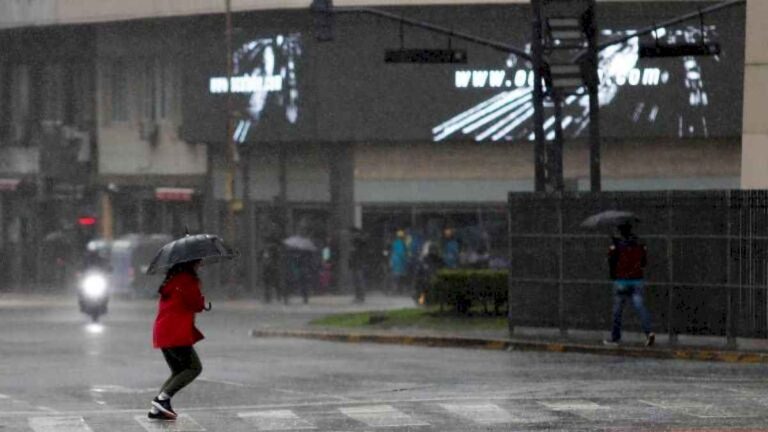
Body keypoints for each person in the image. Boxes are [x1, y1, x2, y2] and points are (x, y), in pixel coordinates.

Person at [148, 260, 207, 420]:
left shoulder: (172, 279)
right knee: (194, 368)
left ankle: (157, 408)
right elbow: (195, 303)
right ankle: (162, 399)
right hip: (175, 332)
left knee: (178, 371)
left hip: (163, 331)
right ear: (190, 264)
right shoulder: (187, 280)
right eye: (197, 263)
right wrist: (203, 302)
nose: (200, 265)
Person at [604, 223, 655, 347]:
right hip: (637, 279)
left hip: (621, 280)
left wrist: (612, 248)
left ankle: (615, 338)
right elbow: (644, 262)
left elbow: (611, 262)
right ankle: (649, 332)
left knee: (617, 311)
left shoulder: (616, 245)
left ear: (620, 231)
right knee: (640, 306)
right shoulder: (640, 244)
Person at [389, 230, 409, 294]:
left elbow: (392, 252)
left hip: (394, 261)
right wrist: (406, 260)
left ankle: (394, 289)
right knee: (400, 277)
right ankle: (398, 290)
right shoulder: (402, 243)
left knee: (395, 276)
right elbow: (402, 253)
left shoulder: (395, 243)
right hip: (400, 262)